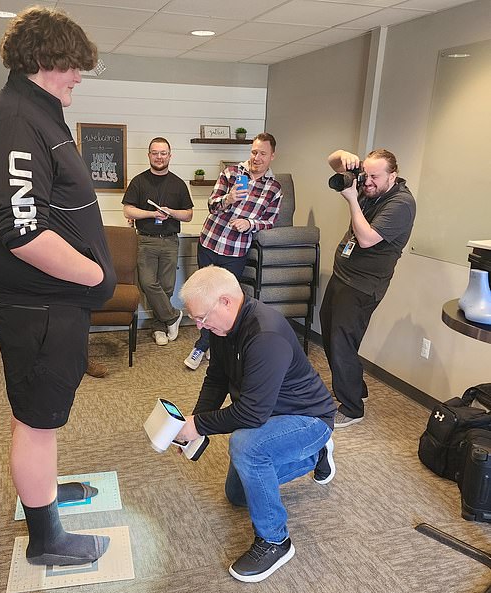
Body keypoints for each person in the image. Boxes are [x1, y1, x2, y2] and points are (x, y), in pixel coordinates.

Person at [0, 7, 115, 566]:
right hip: (37, 300)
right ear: (45, 58)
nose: (80, 75)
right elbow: (21, 230)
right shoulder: (16, 119)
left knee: (36, 409)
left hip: (44, 299)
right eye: (75, 65)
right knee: (37, 417)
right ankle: (46, 539)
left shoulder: (33, 112)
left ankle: (45, 499)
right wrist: (96, 274)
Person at [176, 266, 336, 583]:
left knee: (246, 446)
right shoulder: (221, 328)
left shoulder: (265, 335)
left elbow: (250, 415)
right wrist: (194, 426)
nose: (199, 325)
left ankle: (276, 541)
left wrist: (199, 425)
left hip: (308, 419)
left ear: (225, 302)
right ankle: (314, 457)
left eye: (202, 318)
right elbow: (216, 379)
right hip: (269, 415)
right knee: (237, 495)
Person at [320, 148, 415, 428]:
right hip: (343, 276)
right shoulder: (371, 187)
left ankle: (351, 407)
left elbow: (366, 239)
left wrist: (351, 199)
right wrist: (342, 155)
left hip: (362, 286)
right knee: (331, 335)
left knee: (341, 343)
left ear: (392, 176)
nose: (367, 182)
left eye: (375, 176)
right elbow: (333, 162)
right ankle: (356, 387)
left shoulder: (401, 204)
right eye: (365, 174)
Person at [185, 132, 282, 370]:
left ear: (272, 156)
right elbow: (211, 205)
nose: (256, 158)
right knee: (203, 295)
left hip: (236, 250)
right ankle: (205, 346)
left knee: (223, 301)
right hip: (210, 242)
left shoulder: (274, 188)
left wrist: (250, 224)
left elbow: (270, 221)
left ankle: (206, 345)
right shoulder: (231, 173)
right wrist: (229, 198)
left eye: (262, 153)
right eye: (254, 152)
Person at [122, 137, 193, 346]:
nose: (159, 157)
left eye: (163, 153)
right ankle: (173, 316)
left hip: (170, 241)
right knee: (147, 282)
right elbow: (128, 209)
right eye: (155, 153)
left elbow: (188, 214)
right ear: (149, 155)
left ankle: (159, 327)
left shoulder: (178, 183)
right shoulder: (139, 181)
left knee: (167, 287)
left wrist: (171, 213)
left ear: (170, 155)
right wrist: (150, 213)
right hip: (145, 240)